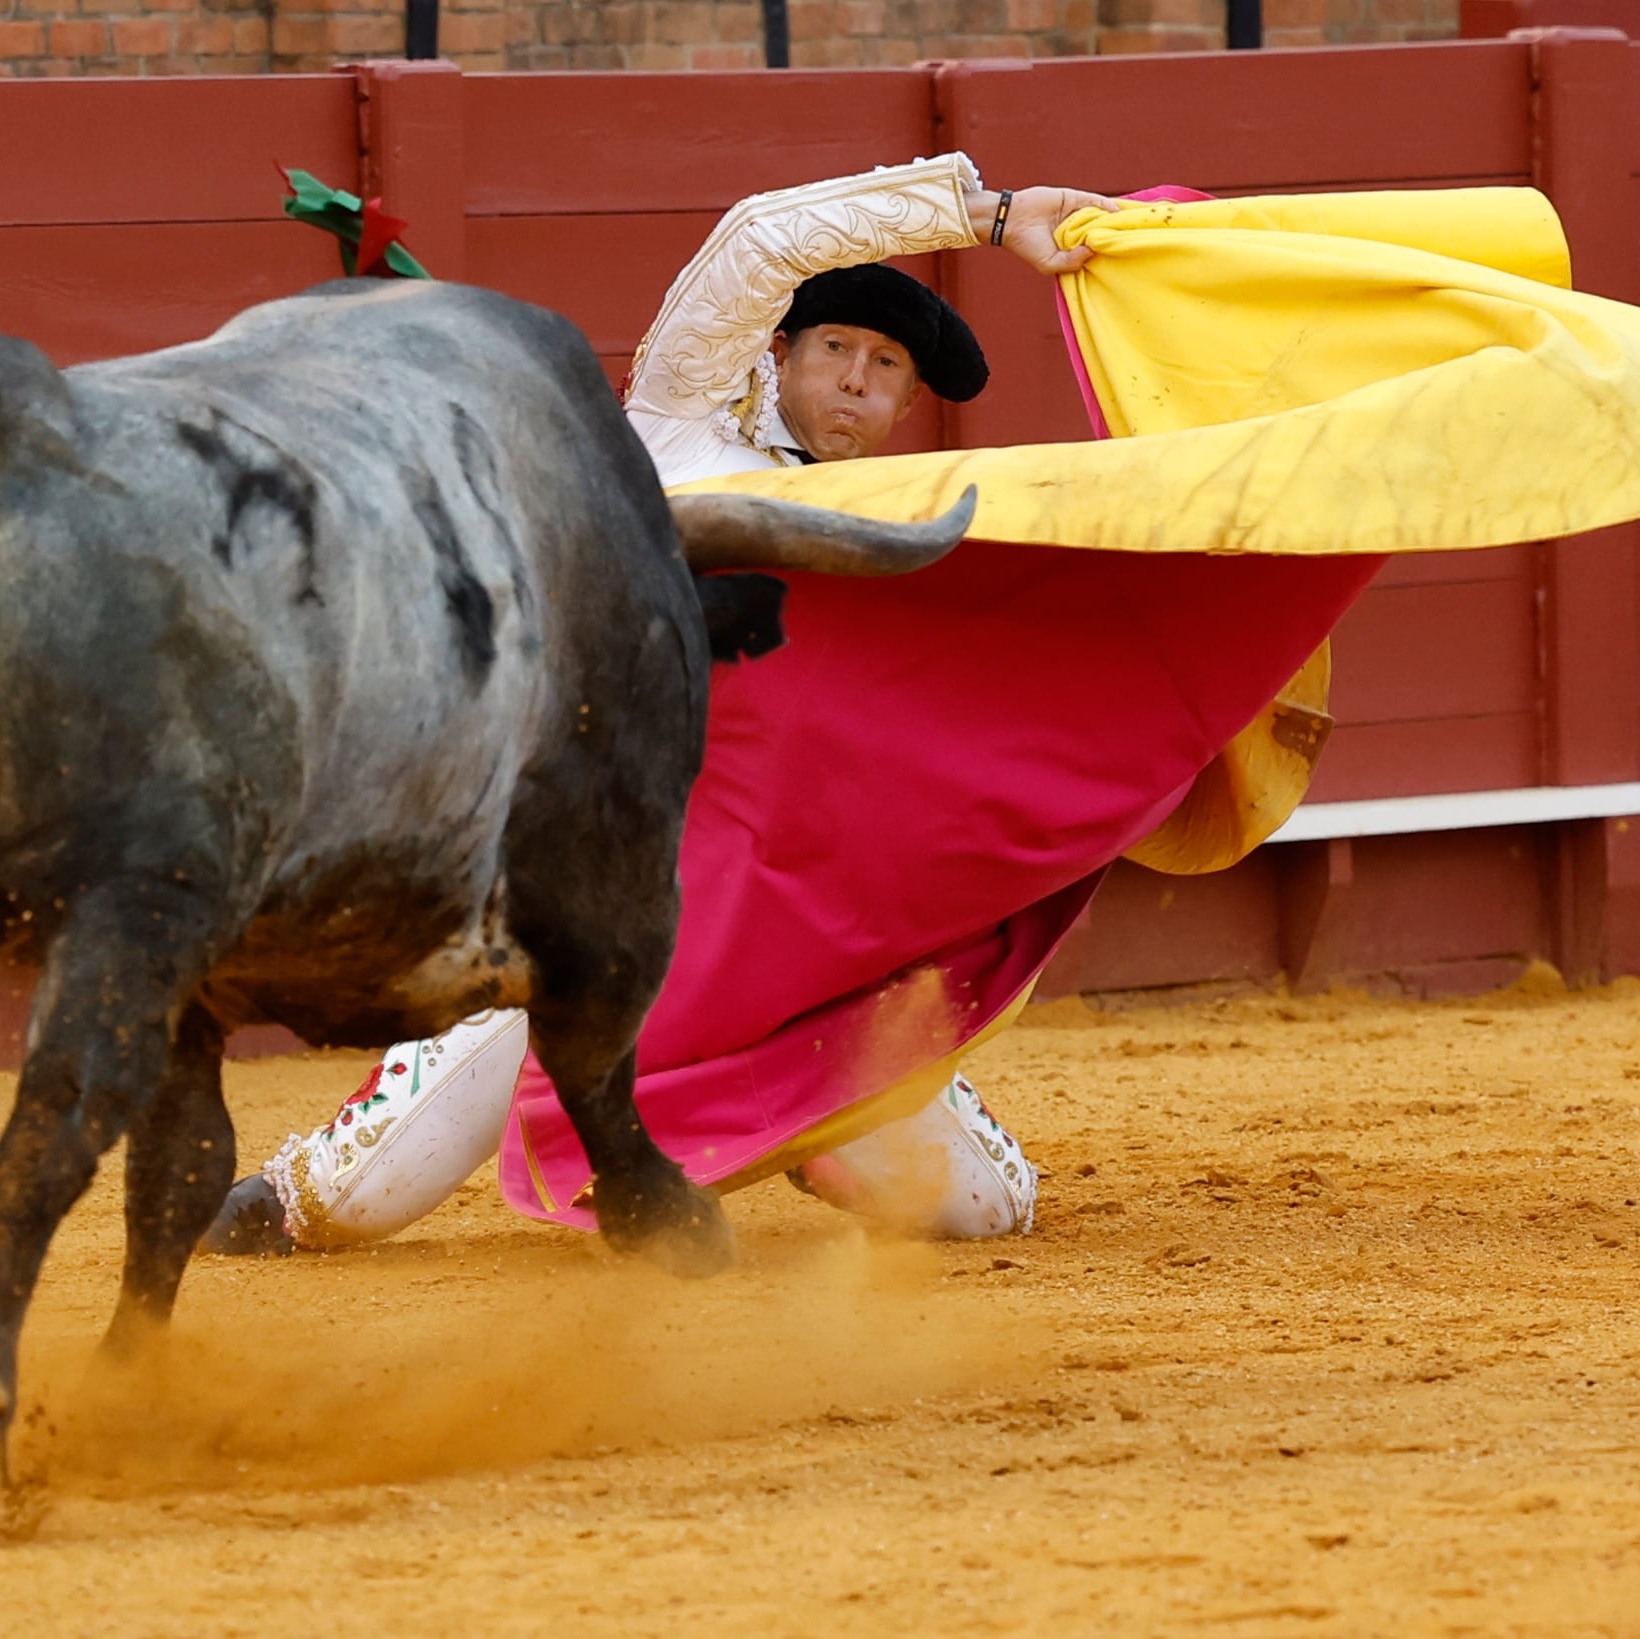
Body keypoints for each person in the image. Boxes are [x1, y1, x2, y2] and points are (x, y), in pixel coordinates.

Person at [202, 156, 1118, 1259]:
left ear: (908, 404)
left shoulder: (904, 541)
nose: (856, 381)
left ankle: (785, 1123)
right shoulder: (682, 431)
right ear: (775, 354)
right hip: (588, 895)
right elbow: (755, 240)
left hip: (787, 936)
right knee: (358, 1198)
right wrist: (991, 215)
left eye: (886, 368)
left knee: (982, 1210)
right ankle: (301, 1180)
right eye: (835, 349)